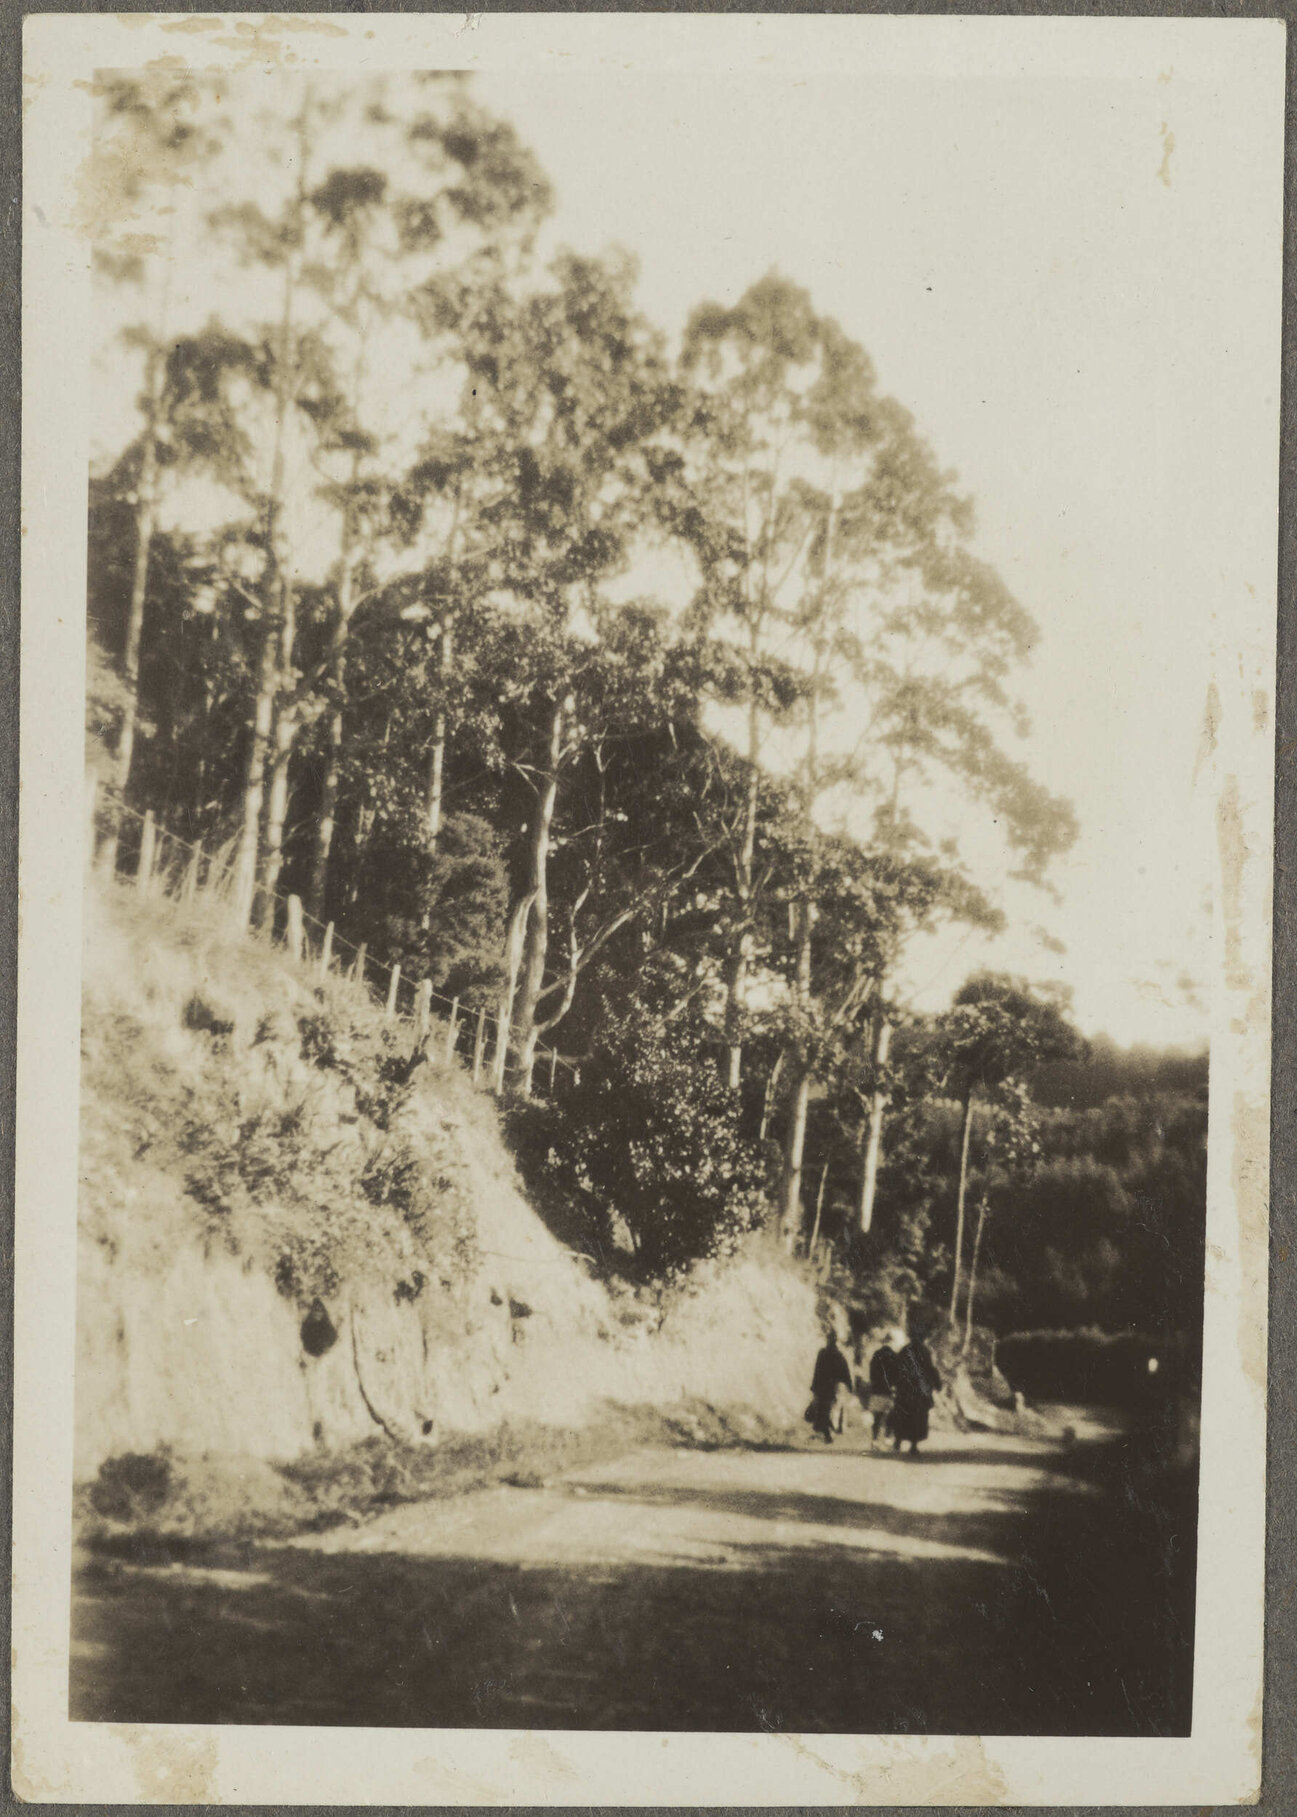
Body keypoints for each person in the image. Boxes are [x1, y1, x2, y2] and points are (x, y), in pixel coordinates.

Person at [891, 1333, 942, 1456]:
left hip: (905, 1389)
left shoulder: (904, 1350)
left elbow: (896, 1367)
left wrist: (893, 1382)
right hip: (919, 1390)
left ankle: (898, 1440)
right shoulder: (924, 1351)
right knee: (918, 1417)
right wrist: (937, 1384)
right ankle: (913, 1444)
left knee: (903, 1414)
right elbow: (930, 1369)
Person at [806, 1327, 853, 1444]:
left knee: (824, 1410)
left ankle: (827, 1433)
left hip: (823, 1387)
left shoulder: (823, 1353)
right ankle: (827, 1433)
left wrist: (814, 1386)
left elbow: (817, 1371)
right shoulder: (838, 1355)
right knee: (827, 1410)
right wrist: (849, 1384)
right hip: (831, 1387)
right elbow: (845, 1372)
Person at [867, 1329, 903, 1446]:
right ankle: (887, 1438)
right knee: (890, 1415)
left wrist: (874, 1383)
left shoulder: (876, 1355)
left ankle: (875, 1439)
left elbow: (872, 1372)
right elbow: (898, 1374)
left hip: (877, 1389)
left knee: (877, 1416)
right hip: (890, 1391)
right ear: (891, 1342)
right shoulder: (895, 1356)